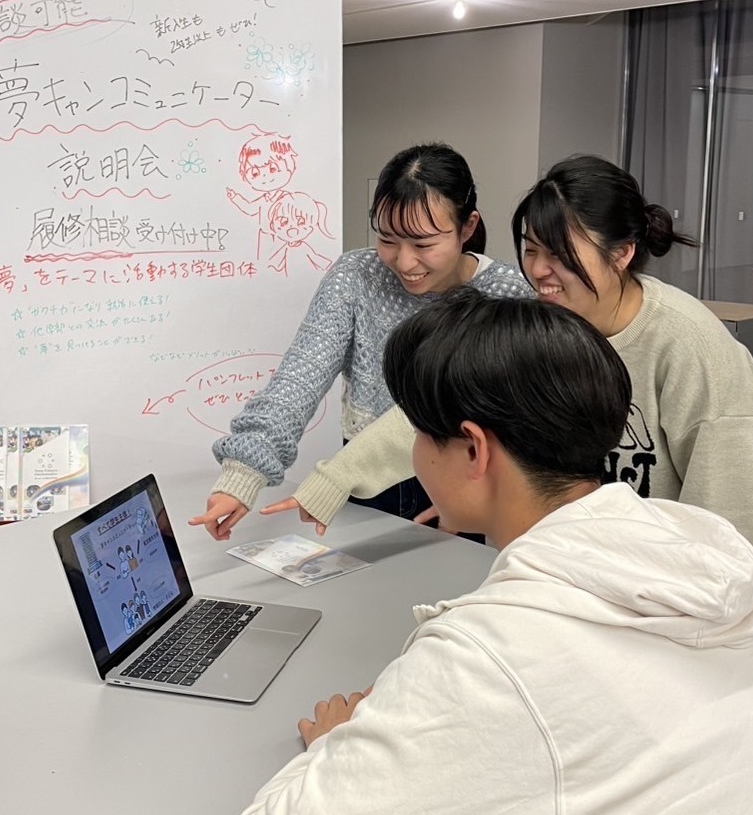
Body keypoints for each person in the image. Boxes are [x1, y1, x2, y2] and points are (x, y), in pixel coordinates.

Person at [221, 293, 753, 815]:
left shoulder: (502, 655)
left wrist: (338, 746)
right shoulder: (689, 561)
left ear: (474, 449)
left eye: (420, 434)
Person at [267, 154, 753, 684]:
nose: (540, 271)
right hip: (615, 567)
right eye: (531, 250)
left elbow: (725, 530)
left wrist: (685, 624)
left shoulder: (690, 346)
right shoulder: (548, 325)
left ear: (622, 253)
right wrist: (336, 479)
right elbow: (441, 404)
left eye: (561, 254)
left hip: (729, 584)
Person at [190, 142, 532, 541]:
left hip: (462, 477)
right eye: (387, 239)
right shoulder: (356, 276)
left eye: (423, 244)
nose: (404, 261)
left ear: (468, 227)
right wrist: (243, 473)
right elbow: (299, 378)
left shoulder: (508, 295)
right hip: (364, 480)